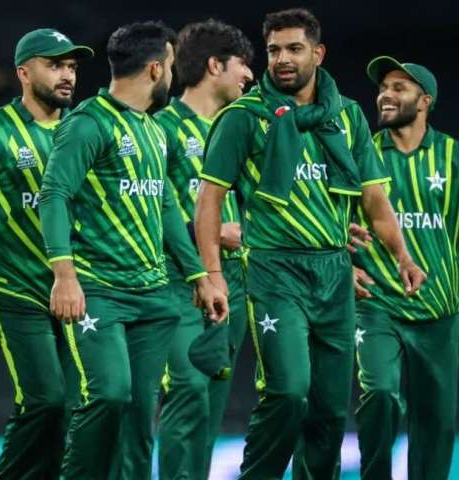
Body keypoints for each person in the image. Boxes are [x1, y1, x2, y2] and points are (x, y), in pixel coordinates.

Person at [194, 8, 425, 479]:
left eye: (294, 48)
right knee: (288, 391)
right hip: (275, 271)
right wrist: (213, 275)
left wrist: (402, 255)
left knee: (329, 410)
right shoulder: (244, 117)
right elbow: (209, 202)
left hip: (334, 274)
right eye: (274, 50)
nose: (282, 58)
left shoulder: (346, 116)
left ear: (318, 54)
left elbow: (374, 200)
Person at [39, 21, 228, 479]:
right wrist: (65, 275)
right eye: (171, 68)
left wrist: (198, 276)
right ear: (156, 69)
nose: (173, 78)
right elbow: (54, 195)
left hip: (153, 296)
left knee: (140, 418)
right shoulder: (88, 123)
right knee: (109, 394)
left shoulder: (152, 130)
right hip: (100, 291)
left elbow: (164, 207)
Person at [0, 28, 93, 478]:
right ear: (24, 73)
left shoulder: (84, 128)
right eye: (55, 65)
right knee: (45, 399)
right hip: (17, 287)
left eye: (71, 66)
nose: (67, 75)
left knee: (73, 406)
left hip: (81, 291)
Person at [153, 18, 254, 480]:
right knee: (188, 390)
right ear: (215, 66)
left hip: (233, 282)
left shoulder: (238, 130)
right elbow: (143, 209)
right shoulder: (162, 129)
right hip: (179, 283)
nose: (249, 75)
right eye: (242, 64)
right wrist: (206, 233)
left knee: (211, 402)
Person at [353, 56, 457, 479]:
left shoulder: (452, 156)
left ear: (425, 100)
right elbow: (333, 221)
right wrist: (344, 264)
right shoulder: (360, 155)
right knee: (379, 393)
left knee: (438, 422)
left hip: (441, 310)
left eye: (399, 88)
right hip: (376, 304)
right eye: (383, 88)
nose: (385, 95)